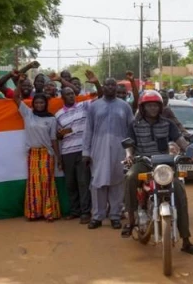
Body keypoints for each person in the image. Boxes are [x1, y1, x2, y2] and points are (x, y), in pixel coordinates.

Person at [122, 91, 193, 255]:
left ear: (160, 107)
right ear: (143, 108)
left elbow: (181, 142)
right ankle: (131, 220)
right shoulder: (134, 125)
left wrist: (191, 154)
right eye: (149, 105)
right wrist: (129, 156)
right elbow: (129, 145)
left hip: (164, 163)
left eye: (156, 105)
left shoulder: (168, 124)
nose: (153, 108)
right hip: (143, 162)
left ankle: (186, 240)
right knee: (130, 177)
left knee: (179, 190)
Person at [82, 77, 134, 229]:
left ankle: (115, 216)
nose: (110, 87)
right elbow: (88, 130)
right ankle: (97, 216)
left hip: (120, 148)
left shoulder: (125, 106)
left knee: (117, 182)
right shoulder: (94, 106)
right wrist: (86, 152)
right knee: (98, 182)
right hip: (98, 148)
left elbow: (131, 130)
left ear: (116, 88)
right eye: (108, 84)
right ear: (103, 87)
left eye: (113, 85)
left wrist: (130, 152)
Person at [14, 87, 61, 221]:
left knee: (47, 182)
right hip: (33, 153)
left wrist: (58, 157)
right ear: (33, 104)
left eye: (42, 103)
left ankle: (49, 212)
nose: (39, 105)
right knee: (34, 183)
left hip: (47, 153)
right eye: (36, 103)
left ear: (46, 104)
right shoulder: (28, 114)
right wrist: (20, 82)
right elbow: (16, 97)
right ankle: (33, 213)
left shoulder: (51, 119)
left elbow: (53, 139)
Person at [55, 86, 92, 223]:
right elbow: (57, 136)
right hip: (67, 152)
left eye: (72, 94)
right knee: (70, 184)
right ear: (62, 97)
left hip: (83, 151)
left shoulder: (84, 106)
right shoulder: (58, 115)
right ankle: (74, 211)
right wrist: (60, 134)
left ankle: (85, 212)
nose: (71, 96)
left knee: (83, 182)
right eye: (68, 94)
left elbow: (100, 96)